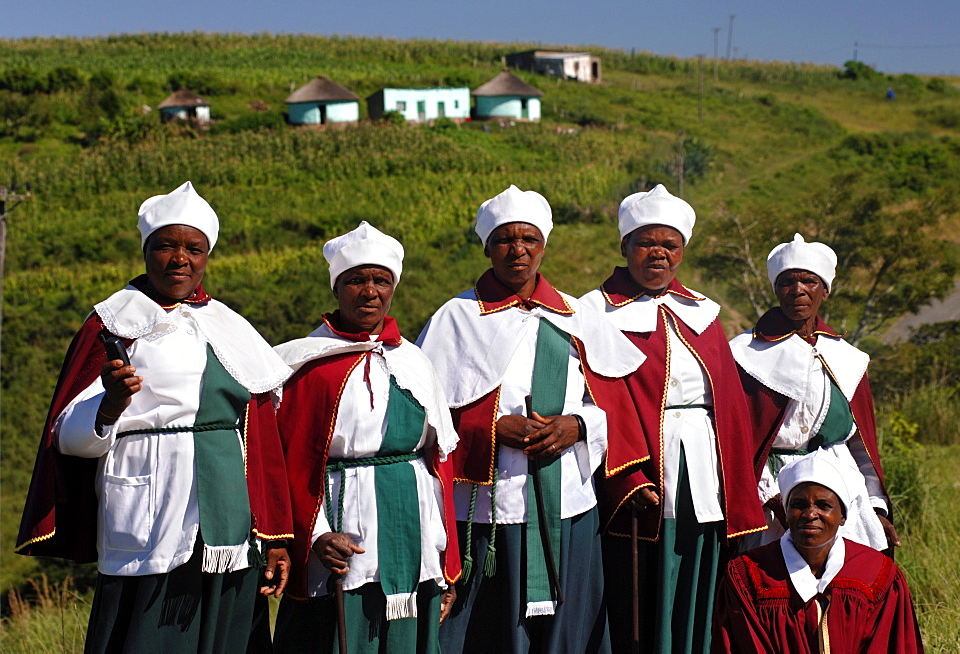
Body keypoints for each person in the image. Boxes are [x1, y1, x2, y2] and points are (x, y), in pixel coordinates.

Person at [16, 181, 294, 652]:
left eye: (194, 248)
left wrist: (275, 531)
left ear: (208, 257)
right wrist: (108, 405)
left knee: (227, 630)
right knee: (148, 632)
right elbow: (65, 433)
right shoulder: (113, 321)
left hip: (227, 510)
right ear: (146, 251)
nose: (180, 258)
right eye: (166, 246)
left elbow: (259, 432)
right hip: (150, 497)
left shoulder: (227, 324)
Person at [418, 185, 645, 654]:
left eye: (529, 240)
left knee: (570, 627)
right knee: (491, 628)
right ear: (487, 246)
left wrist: (577, 427)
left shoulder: (576, 314)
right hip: (486, 506)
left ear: (544, 245)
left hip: (567, 501)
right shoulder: (454, 318)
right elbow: (424, 411)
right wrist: (494, 427)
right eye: (504, 239)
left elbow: (613, 403)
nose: (517, 250)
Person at [578, 184, 765, 653]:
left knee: (703, 572)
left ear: (683, 251)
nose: (658, 254)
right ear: (624, 247)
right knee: (643, 580)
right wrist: (630, 477)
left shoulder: (702, 311)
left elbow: (732, 409)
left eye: (670, 245)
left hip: (705, 467)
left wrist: (741, 483)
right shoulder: (591, 311)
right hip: (641, 471)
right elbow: (594, 401)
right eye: (646, 243)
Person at [270, 221, 461, 653]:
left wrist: (445, 560)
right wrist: (316, 534)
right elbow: (290, 462)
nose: (370, 291)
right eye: (357, 280)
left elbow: (438, 463)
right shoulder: (304, 364)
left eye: (381, 280)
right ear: (337, 288)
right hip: (342, 526)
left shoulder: (414, 361)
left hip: (413, 532)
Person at [729, 234, 896, 552]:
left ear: (826, 290)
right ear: (776, 289)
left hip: (841, 491)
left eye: (809, 281)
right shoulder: (743, 355)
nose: (798, 291)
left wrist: (876, 506)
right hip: (770, 494)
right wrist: (770, 496)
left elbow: (861, 446)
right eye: (787, 282)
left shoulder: (847, 359)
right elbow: (737, 440)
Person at [712, 453, 923, 652]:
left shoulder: (877, 575)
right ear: (785, 511)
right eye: (798, 505)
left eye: (824, 505)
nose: (810, 514)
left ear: (843, 516)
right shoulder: (749, 576)